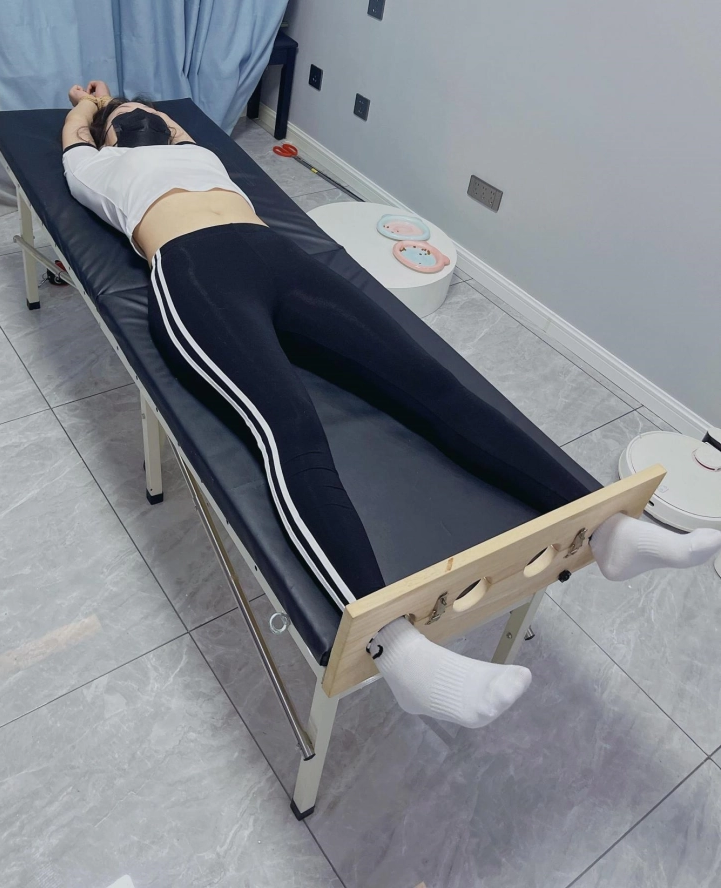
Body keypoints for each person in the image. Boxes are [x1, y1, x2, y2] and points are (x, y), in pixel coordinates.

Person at [62, 81, 721, 728]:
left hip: (280, 259)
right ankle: (397, 649)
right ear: (106, 137)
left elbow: (166, 124)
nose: (140, 117)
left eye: (146, 110)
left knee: (432, 386)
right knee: (287, 427)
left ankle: (608, 529)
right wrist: (92, 104)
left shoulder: (193, 149)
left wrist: (127, 103)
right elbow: (72, 143)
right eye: (125, 117)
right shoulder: (100, 169)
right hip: (196, 275)